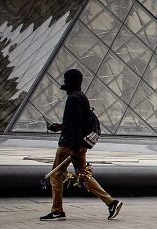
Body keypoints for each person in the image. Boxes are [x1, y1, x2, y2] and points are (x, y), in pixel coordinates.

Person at [40, 69, 122, 221]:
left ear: (71, 81)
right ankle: (111, 202)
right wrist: (60, 127)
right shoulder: (81, 97)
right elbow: (76, 122)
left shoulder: (73, 98)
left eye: (65, 80)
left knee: (55, 176)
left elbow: (75, 126)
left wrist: (74, 148)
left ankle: (57, 210)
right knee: (83, 175)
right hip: (78, 144)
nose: (63, 83)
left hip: (69, 145)